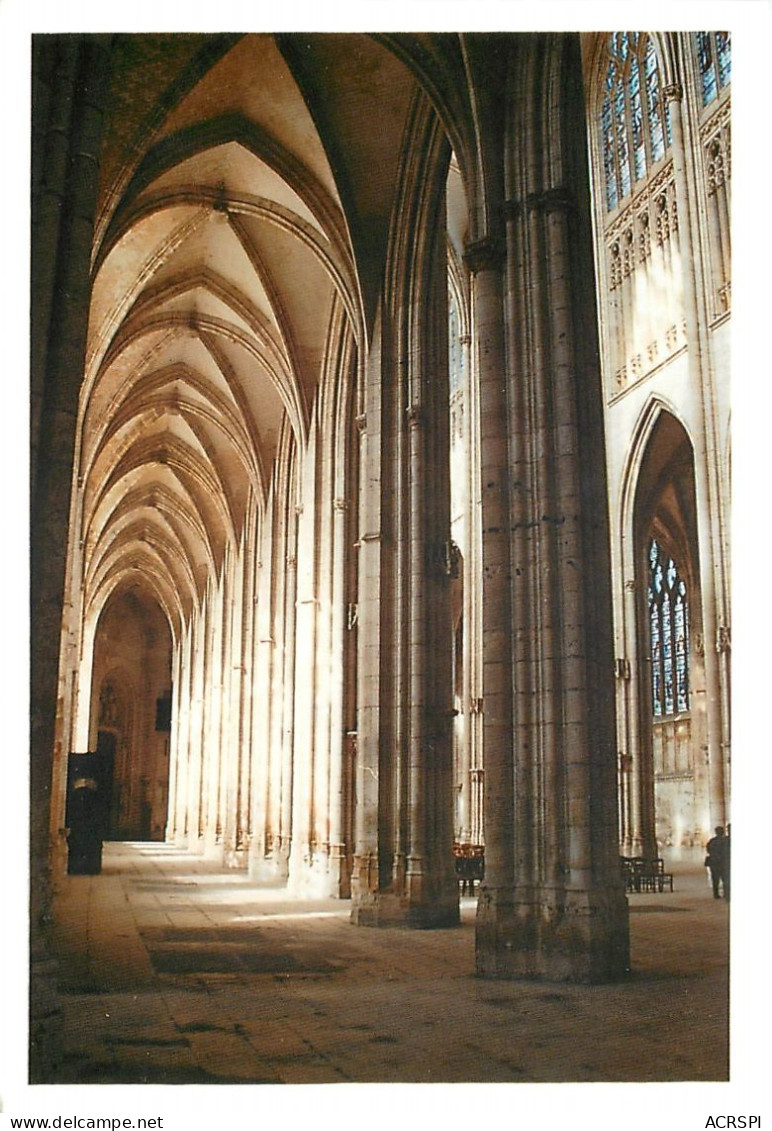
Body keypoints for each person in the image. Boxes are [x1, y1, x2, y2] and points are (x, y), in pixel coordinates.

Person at [705, 826, 728, 900]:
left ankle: (716, 894)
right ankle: (726, 893)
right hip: (723, 863)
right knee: (725, 879)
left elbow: (708, 849)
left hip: (714, 862)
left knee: (715, 879)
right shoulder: (725, 841)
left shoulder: (712, 841)